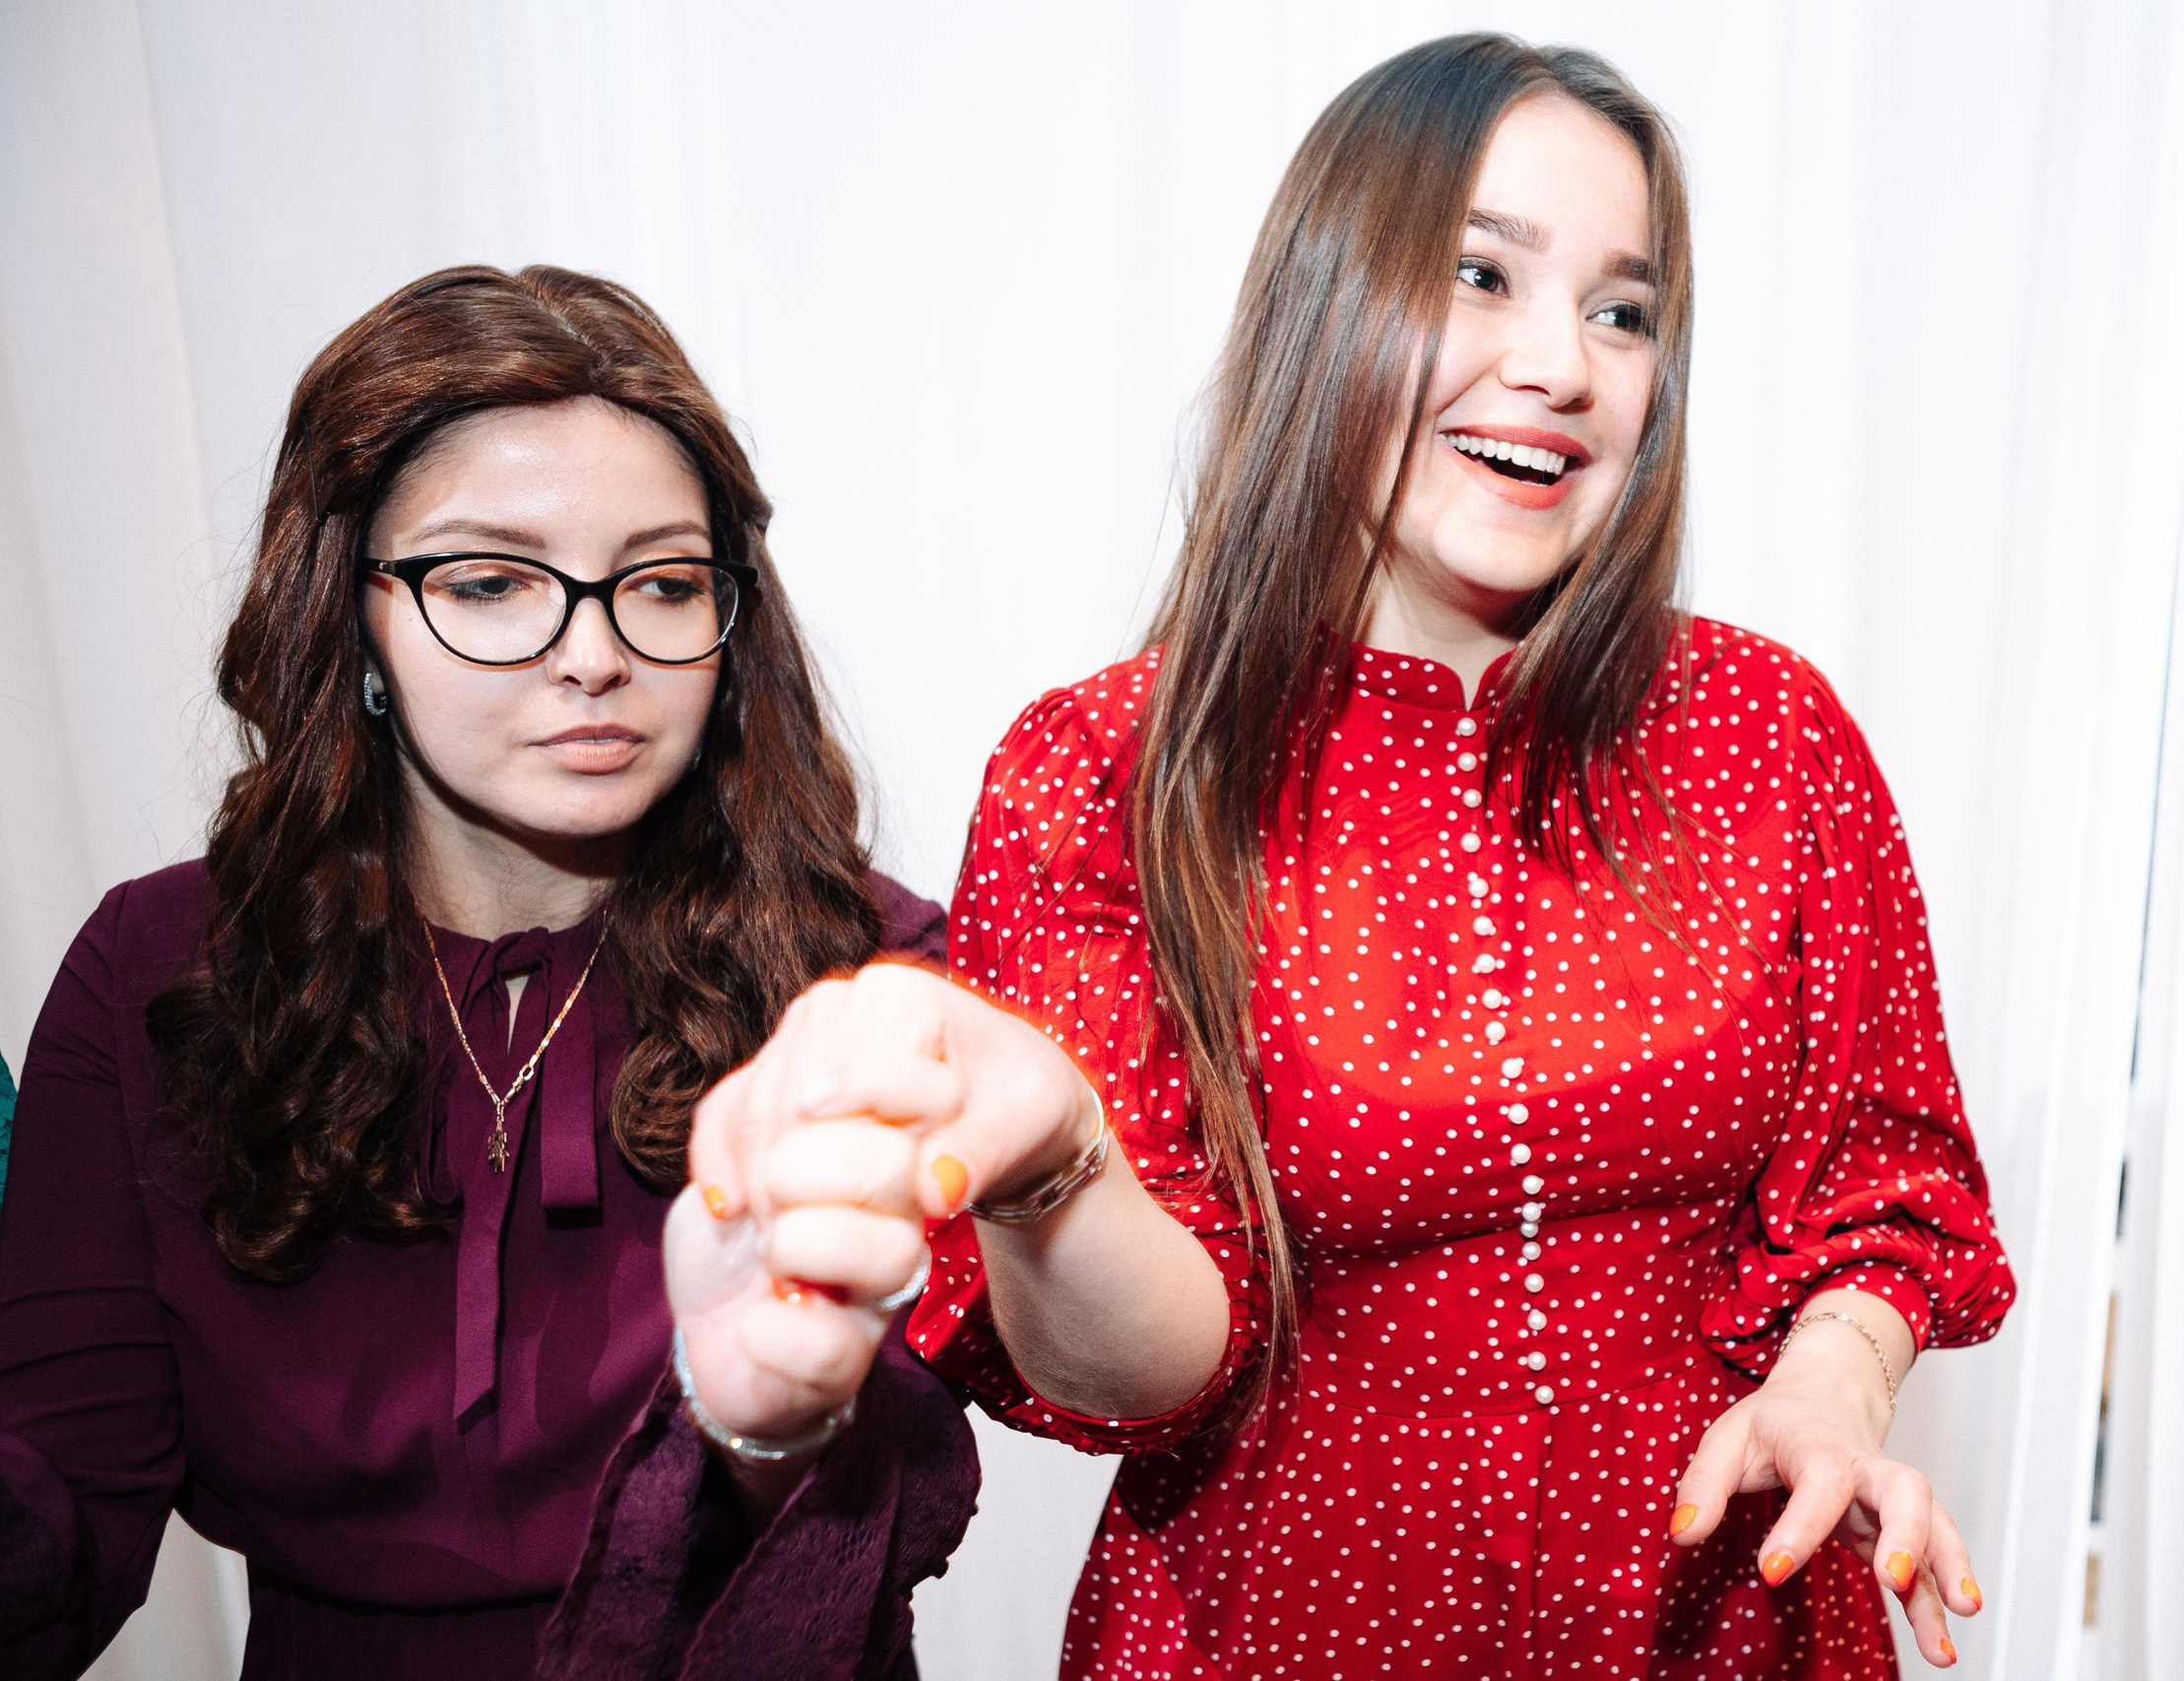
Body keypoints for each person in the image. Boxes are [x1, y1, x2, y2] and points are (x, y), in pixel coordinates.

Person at [692, 32, 2017, 1680]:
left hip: (1724, 1620)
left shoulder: (1769, 725)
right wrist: (1053, 1169)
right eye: (1482, 276)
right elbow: (1141, 1375)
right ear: (1328, 303)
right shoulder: (1108, 770)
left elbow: (1887, 1192)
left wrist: (1833, 1383)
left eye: (1624, 309)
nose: (1563, 365)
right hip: (1282, 1628)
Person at [0, 265, 973, 1680]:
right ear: (354, 612)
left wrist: (774, 1408)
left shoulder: (868, 980)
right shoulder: (160, 974)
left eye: (660, 582)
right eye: (491, 583)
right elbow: (58, 1545)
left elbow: (874, 1532)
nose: (592, 657)